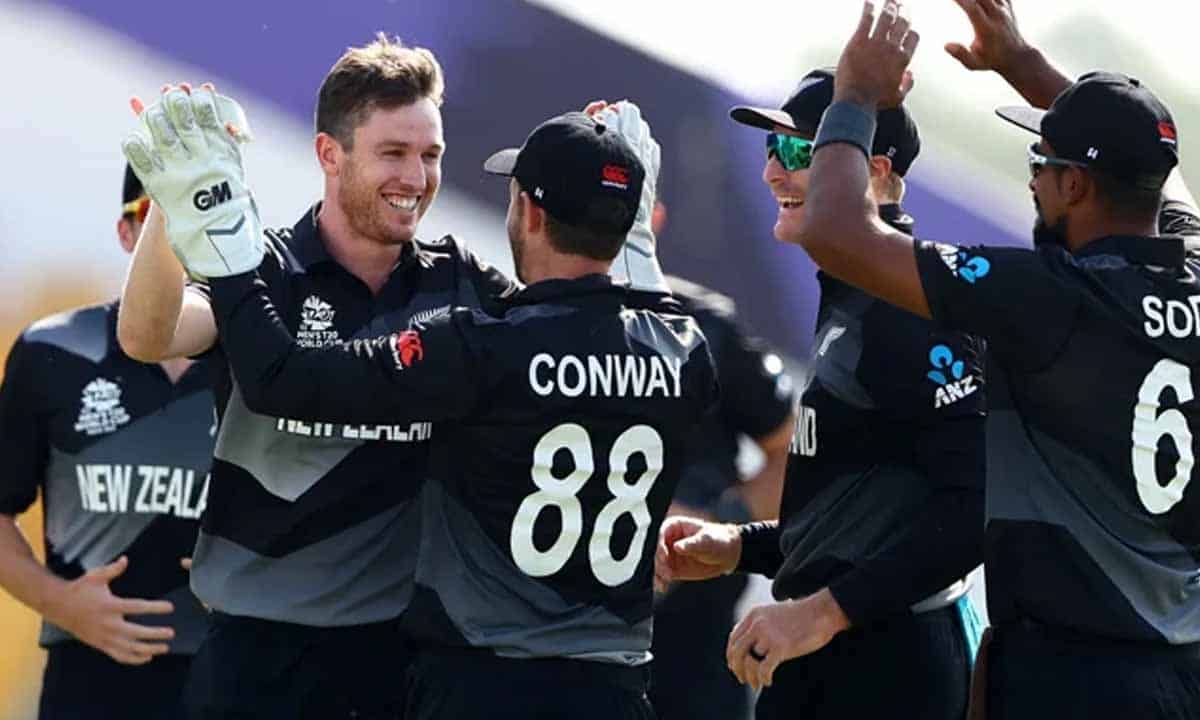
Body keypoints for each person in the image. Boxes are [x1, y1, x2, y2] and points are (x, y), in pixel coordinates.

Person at [146, 98, 718, 719]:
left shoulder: (484, 347)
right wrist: (633, 238)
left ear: (529, 211)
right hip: (617, 691)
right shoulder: (686, 353)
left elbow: (282, 381)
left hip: (481, 685)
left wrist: (228, 250)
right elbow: (643, 318)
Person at [788, 1, 1200, 717]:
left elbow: (833, 230)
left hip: (1068, 676)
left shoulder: (1047, 295)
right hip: (1181, 670)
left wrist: (854, 95)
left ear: (1075, 185)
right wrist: (1020, 61)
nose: (1032, 180)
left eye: (1042, 163)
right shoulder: (1192, 266)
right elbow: (1155, 180)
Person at [119, 37, 516, 719]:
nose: (416, 178)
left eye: (431, 155)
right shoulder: (259, 267)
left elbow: (559, 337)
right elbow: (148, 337)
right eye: (393, 153)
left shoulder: (461, 282)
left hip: (403, 656)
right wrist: (169, 198)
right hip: (256, 657)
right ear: (330, 154)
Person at [655, 66, 987, 719]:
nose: (771, 172)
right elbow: (859, 521)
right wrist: (738, 546)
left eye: (797, 151)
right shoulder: (854, 293)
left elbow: (975, 510)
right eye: (771, 148)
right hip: (836, 655)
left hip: (890, 669)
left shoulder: (908, 307)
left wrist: (821, 612)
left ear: (877, 173)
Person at [0, 166, 214, 719]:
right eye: (158, 215)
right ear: (126, 232)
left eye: (198, 211)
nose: (176, 235)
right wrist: (60, 604)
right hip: (87, 684)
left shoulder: (264, 363)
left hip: (232, 681)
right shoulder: (54, 350)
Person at [645, 221, 796, 720]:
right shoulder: (530, 328)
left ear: (655, 218)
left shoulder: (705, 329)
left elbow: (797, 454)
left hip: (693, 651)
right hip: (564, 646)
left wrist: (715, 523)